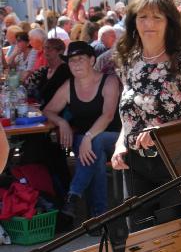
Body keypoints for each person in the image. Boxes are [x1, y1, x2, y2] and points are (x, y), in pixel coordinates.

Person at [110, 0, 181, 231]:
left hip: (180, 160)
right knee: (140, 240)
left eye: (157, 17)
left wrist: (162, 130)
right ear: (133, 22)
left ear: (169, 23)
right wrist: (120, 144)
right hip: (136, 165)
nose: (149, 24)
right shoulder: (129, 60)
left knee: (177, 239)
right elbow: (131, 115)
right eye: (142, 17)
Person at [43, 41, 122, 221]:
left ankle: (74, 194)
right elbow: (48, 110)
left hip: (114, 138)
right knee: (97, 156)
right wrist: (62, 122)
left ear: (92, 60)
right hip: (85, 142)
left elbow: (108, 116)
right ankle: (98, 217)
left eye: (80, 59)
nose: (76, 64)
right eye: (72, 61)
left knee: (97, 142)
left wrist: (88, 137)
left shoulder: (109, 81)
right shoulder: (68, 86)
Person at [24, 38, 71, 108]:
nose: (46, 51)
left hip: (56, 111)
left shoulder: (65, 70)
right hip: (39, 109)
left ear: (60, 51)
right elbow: (27, 86)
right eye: (45, 48)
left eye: (50, 48)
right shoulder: (43, 70)